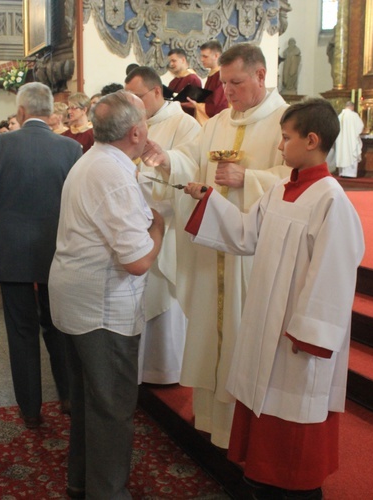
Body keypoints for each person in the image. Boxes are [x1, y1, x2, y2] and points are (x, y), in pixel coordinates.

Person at [182, 98, 365, 500]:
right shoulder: (281, 191)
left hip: (297, 343)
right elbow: (246, 234)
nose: (280, 147)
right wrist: (209, 200)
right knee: (263, 436)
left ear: (312, 140)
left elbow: (334, 276)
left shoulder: (331, 201)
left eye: (286, 138)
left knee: (293, 439)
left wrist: (309, 334)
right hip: (266, 328)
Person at [141, 42, 291, 448]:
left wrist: (251, 179)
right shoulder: (218, 122)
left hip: (254, 254)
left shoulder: (285, 121)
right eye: (224, 83)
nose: (229, 92)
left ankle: (245, 430)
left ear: (261, 75)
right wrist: (168, 159)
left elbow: (299, 179)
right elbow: (194, 159)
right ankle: (213, 420)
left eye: (237, 83)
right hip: (212, 247)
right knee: (211, 332)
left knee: (245, 333)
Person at [49, 90, 165, 499]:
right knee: (112, 409)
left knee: (89, 403)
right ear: (136, 131)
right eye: (147, 123)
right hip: (102, 309)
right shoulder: (113, 173)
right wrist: (159, 227)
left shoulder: (95, 159)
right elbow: (136, 261)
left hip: (76, 302)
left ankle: (81, 484)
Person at [0, 82, 81, 428]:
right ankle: (67, 396)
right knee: (59, 328)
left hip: (11, 253)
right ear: (51, 112)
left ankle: (31, 409)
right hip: (58, 253)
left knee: (21, 333)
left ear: (20, 112)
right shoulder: (70, 148)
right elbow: (76, 206)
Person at [124, 66, 201, 384]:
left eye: (137, 97)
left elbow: (195, 165)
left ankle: (165, 369)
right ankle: (140, 368)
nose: (133, 104)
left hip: (167, 222)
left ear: (157, 92)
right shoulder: (132, 123)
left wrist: (167, 159)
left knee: (163, 292)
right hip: (133, 221)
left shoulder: (184, 123)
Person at [193, 40, 229, 124]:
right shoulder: (213, 74)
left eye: (205, 56)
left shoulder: (221, 76)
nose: (201, 59)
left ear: (216, 56)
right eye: (201, 56)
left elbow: (218, 107)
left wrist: (197, 105)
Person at [330, 101, 364, 178]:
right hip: (351, 141)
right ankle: (351, 174)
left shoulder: (340, 116)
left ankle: (343, 173)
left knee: (343, 153)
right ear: (352, 107)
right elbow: (360, 127)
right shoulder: (354, 115)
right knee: (351, 153)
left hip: (341, 141)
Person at [167, 48, 202, 116]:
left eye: (174, 61)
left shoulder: (193, 79)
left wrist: (176, 103)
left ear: (183, 60)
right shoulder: (173, 82)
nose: (171, 64)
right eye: (170, 61)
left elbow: (195, 105)